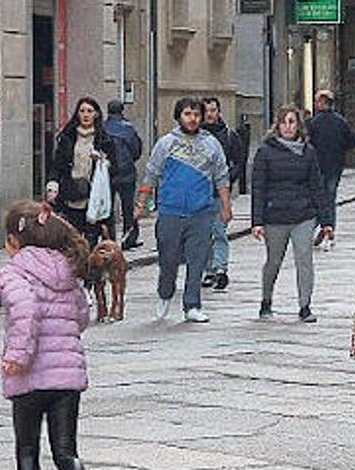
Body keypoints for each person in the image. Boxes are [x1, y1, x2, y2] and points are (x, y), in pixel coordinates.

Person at [0, 200, 105, 470]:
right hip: (67, 378)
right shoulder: (68, 271)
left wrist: (17, 356)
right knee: (65, 450)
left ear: (15, 240)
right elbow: (81, 316)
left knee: (27, 450)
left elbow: (25, 311)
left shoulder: (13, 272)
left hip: (30, 378)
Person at [136, 96, 231, 323]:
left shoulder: (211, 144)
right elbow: (151, 174)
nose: (192, 119)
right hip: (170, 212)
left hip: (201, 212)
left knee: (197, 261)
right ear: (179, 116)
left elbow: (221, 177)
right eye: (188, 114)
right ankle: (165, 293)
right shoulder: (166, 143)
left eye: (196, 114)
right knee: (168, 260)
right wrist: (141, 204)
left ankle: (192, 305)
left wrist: (226, 207)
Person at [251, 105, 334, 323]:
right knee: (273, 261)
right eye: (284, 122)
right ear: (277, 125)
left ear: (299, 125)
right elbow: (258, 187)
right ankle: (266, 301)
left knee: (304, 259)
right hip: (274, 216)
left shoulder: (308, 152)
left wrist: (326, 221)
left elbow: (317, 186)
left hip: (303, 215)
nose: (288, 126)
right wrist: (257, 221)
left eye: (292, 121)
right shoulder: (266, 151)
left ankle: (305, 305)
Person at [49, 97, 118, 247]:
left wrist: (102, 162)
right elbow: (57, 166)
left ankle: (88, 269)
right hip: (71, 195)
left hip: (94, 197)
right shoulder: (67, 138)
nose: (86, 115)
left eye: (89, 111)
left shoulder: (104, 140)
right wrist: (53, 186)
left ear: (96, 114)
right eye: (82, 111)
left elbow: (115, 168)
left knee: (90, 242)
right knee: (70, 241)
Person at [201, 97, 246, 290]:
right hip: (199, 192)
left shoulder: (229, 135)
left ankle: (220, 269)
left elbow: (239, 160)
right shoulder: (196, 135)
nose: (210, 114)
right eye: (207, 111)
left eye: (213, 110)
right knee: (203, 234)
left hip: (220, 192)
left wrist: (228, 180)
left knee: (219, 231)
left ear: (219, 112)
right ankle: (208, 270)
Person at [306, 89, 355, 250]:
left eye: (317, 101)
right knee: (329, 199)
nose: (315, 105)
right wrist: (341, 149)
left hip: (317, 167)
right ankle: (328, 229)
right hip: (335, 166)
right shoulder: (340, 121)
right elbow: (353, 141)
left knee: (316, 200)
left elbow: (306, 144)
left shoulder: (314, 123)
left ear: (322, 103)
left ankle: (320, 227)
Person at [104, 99, 144, 250]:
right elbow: (136, 150)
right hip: (127, 173)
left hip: (107, 173)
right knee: (128, 208)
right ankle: (129, 238)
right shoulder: (129, 128)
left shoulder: (103, 127)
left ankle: (109, 238)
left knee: (107, 208)